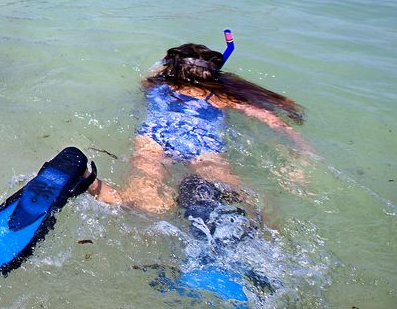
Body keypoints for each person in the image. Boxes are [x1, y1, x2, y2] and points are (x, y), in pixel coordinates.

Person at [87, 32, 312, 214]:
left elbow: (147, 79)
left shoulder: (155, 86)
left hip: (154, 138)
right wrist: (304, 154)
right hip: (203, 146)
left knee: (145, 203)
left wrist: (163, 65)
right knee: (237, 200)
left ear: (170, 68)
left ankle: (86, 180)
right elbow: (275, 122)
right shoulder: (222, 97)